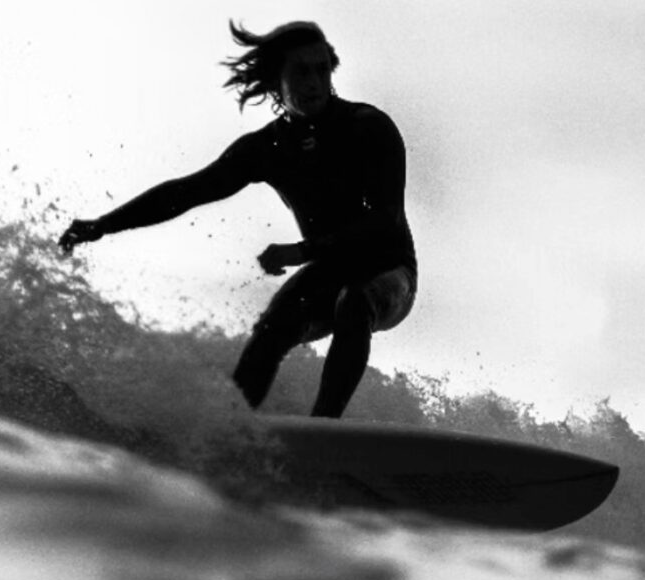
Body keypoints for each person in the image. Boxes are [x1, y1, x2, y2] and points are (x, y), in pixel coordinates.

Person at [58, 20, 416, 418]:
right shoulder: (268, 148)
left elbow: (385, 222)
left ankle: (325, 432)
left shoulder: (368, 127)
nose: (315, 81)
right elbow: (186, 192)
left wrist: (303, 251)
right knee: (271, 331)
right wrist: (103, 225)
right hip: (327, 272)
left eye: (322, 69)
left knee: (354, 303)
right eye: (301, 71)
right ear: (275, 79)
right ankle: (232, 437)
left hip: (387, 270)